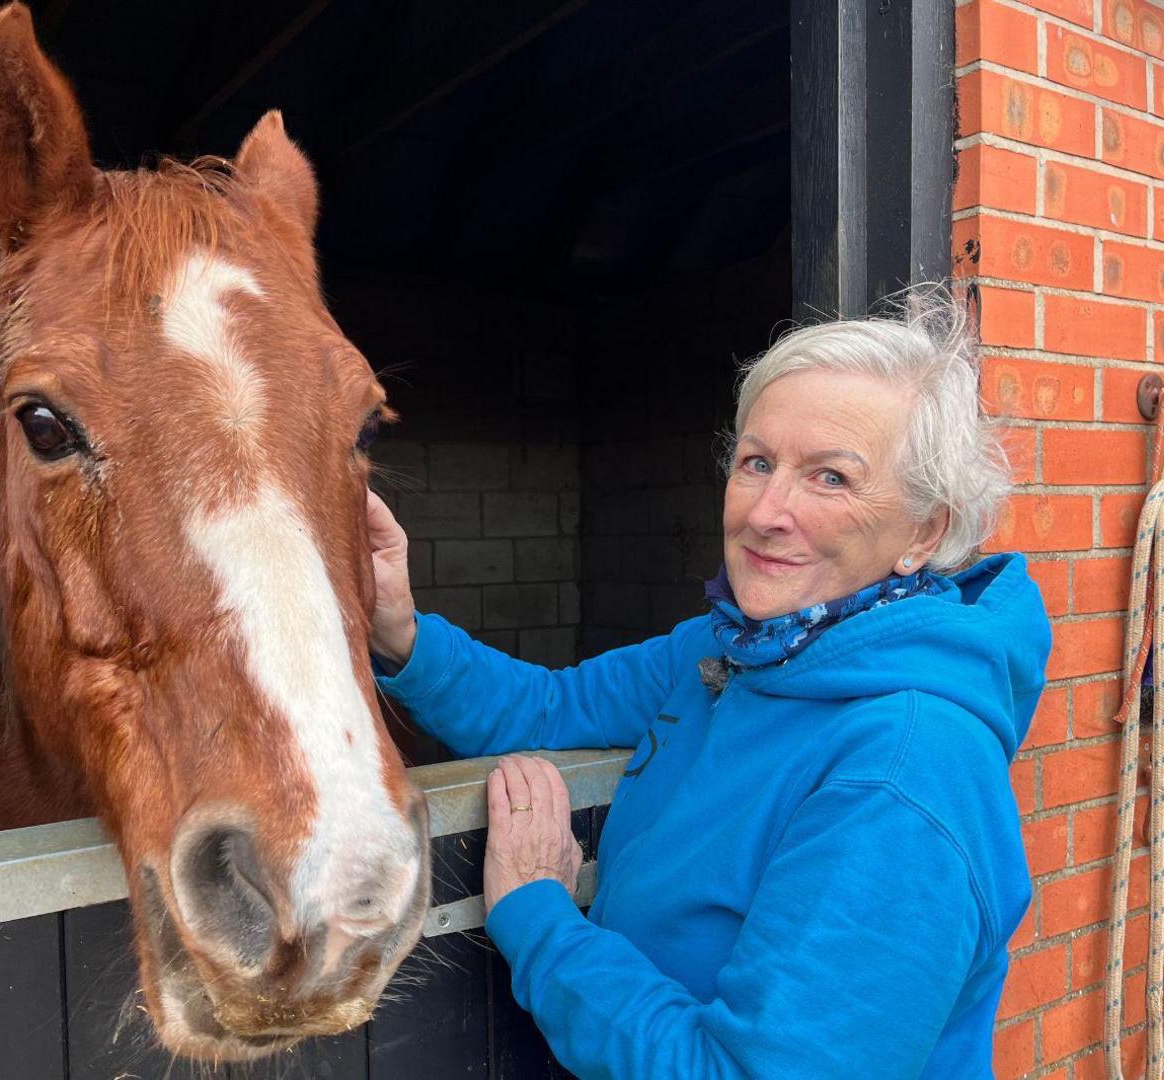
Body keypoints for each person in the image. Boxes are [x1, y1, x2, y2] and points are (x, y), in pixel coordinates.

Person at [365, 287, 1052, 1078]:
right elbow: (546, 708)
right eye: (757, 462)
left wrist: (538, 919)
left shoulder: (903, 772)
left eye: (830, 478)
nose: (766, 511)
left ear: (924, 532)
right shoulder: (724, 652)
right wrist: (400, 629)